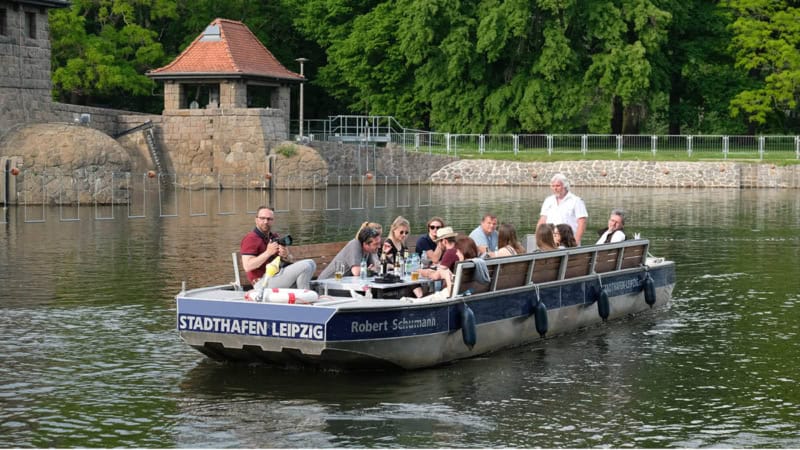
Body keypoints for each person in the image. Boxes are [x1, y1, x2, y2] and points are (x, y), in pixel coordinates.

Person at [240, 206, 316, 289]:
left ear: (273, 221)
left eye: (269, 219)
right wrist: (268, 253)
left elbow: (290, 260)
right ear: (256, 219)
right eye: (262, 218)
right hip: (262, 282)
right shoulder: (250, 238)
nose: (266, 222)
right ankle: (304, 296)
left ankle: (301, 294)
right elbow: (247, 266)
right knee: (306, 266)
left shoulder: (274, 237)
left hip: (278, 275)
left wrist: (286, 255)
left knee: (311, 263)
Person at [537, 173, 588, 245]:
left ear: (564, 186)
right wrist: (538, 238)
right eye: (553, 186)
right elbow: (542, 220)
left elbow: (582, 222)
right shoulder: (548, 200)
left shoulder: (576, 201)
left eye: (558, 186)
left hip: (568, 240)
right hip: (550, 240)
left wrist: (576, 241)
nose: (555, 188)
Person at [318, 225, 382, 279]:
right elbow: (356, 272)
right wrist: (371, 270)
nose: (379, 246)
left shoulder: (370, 250)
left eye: (379, 243)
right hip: (328, 284)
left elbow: (376, 266)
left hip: (345, 284)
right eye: (376, 244)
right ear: (365, 244)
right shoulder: (355, 244)